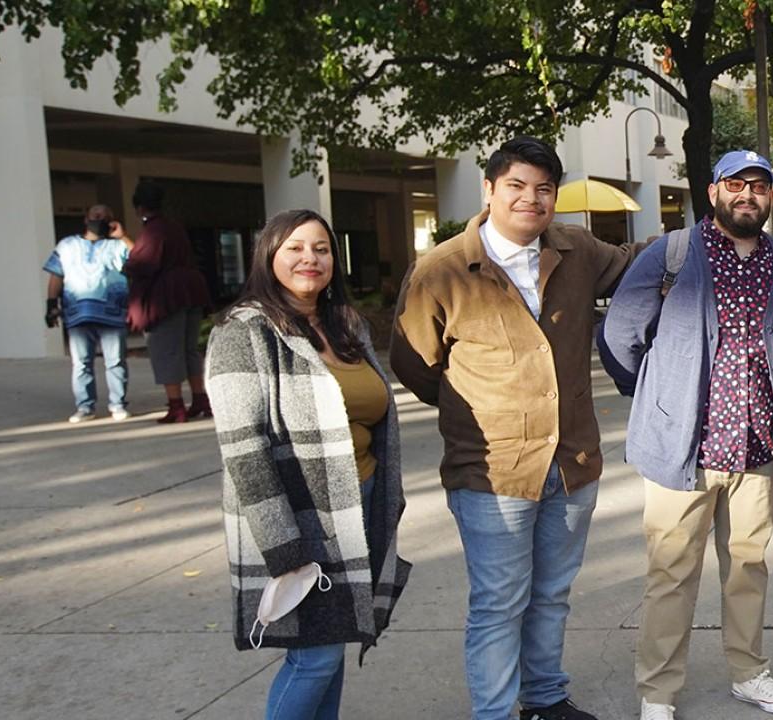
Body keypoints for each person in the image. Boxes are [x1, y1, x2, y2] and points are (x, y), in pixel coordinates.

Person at [391, 136, 639, 720]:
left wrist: (713, 231)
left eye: (544, 189)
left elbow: (637, 263)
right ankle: (496, 712)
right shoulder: (441, 271)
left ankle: (545, 697)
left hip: (572, 461)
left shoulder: (577, 250)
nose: (531, 199)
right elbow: (414, 365)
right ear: (490, 190)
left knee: (551, 595)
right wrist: (479, 410)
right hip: (491, 470)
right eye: (517, 186)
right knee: (499, 603)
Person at [600, 150, 773, 720]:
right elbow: (621, 332)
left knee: (748, 566)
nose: (747, 195)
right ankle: (658, 691)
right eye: (736, 184)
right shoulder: (671, 255)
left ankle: (749, 671)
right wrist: (658, 396)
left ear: (771, 197)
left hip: (759, 445)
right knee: (671, 573)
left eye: (759, 186)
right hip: (685, 448)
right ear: (714, 189)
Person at [207, 209, 411, 720]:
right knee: (314, 659)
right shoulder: (245, 332)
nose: (309, 259)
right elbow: (243, 446)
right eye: (295, 247)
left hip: (357, 504)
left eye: (321, 248)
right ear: (268, 255)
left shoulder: (345, 325)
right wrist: (283, 545)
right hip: (299, 518)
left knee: (333, 645)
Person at [126, 180, 214, 423]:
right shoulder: (175, 227)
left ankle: (177, 406)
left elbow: (142, 264)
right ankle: (200, 399)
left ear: (140, 208)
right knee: (189, 349)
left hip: (166, 298)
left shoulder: (152, 231)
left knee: (167, 350)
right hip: (192, 292)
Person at [45, 204, 133, 422]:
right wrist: (50, 304)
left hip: (112, 314)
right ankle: (85, 406)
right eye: (95, 215)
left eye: (105, 216)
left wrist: (123, 237)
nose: (99, 218)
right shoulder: (67, 246)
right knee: (81, 363)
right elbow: (56, 274)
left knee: (115, 361)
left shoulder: (117, 246)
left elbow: (141, 257)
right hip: (77, 314)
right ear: (86, 219)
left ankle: (118, 404)